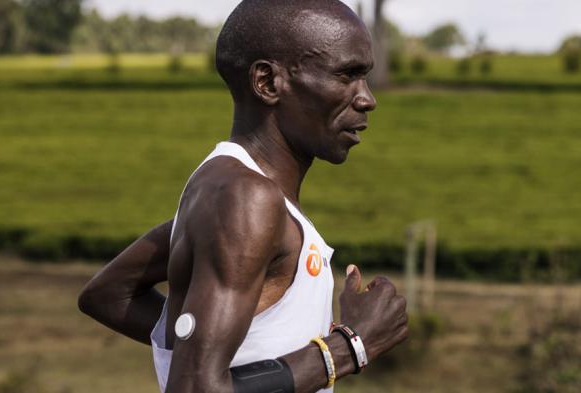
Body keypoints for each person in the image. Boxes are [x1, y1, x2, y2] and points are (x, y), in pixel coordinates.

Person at [77, 1, 409, 392]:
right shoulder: (245, 198)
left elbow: (111, 293)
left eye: (365, 77)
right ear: (268, 83)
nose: (367, 98)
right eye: (347, 75)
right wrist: (349, 347)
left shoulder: (231, 196)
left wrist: (197, 346)